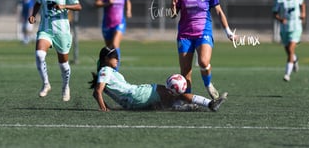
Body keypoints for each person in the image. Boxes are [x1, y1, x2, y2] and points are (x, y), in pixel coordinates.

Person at [90, 46, 228, 112]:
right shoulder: (105, 70)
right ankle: (210, 103)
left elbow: (96, 92)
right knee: (174, 92)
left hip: (133, 100)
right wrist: (104, 108)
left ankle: (185, 107)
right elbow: (97, 91)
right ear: (106, 59)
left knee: (165, 101)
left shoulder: (107, 71)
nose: (118, 59)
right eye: (115, 57)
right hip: (136, 95)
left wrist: (106, 106)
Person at [171, 0, 234, 100]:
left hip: (203, 32)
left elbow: (219, 12)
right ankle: (188, 101)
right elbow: (173, 15)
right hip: (184, 35)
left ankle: (208, 84)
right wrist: (173, 6)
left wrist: (228, 32)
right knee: (185, 71)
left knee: (204, 62)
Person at [28, 0, 82, 102]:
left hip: (62, 31)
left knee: (63, 64)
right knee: (39, 55)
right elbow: (38, 3)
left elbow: (78, 6)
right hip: (45, 29)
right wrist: (33, 14)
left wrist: (64, 6)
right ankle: (46, 84)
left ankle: (65, 86)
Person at [95, 0, 132, 70]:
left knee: (115, 45)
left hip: (119, 23)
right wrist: (107, 3)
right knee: (109, 49)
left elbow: (127, 2)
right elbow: (97, 3)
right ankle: (102, 68)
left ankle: (116, 72)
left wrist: (128, 11)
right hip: (107, 24)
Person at [272, 0, 306, 82]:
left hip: (296, 27)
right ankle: (295, 60)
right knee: (289, 51)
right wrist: (280, 19)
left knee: (291, 48)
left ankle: (287, 74)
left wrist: (303, 13)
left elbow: (303, 4)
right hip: (285, 29)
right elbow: (275, 13)